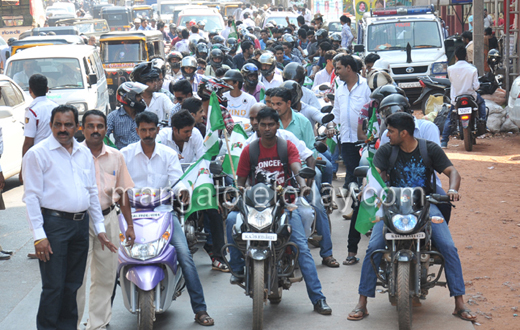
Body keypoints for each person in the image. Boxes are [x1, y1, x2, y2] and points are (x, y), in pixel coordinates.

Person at [347, 112, 477, 323]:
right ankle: (362, 302)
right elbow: (374, 175)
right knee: (373, 248)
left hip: (426, 205)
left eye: (390, 131)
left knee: (448, 247)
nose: (387, 135)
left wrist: (452, 189)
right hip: (392, 206)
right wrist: (367, 189)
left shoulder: (429, 149)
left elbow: (453, 172)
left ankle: (459, 303)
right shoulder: (386, 150)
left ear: (404, 133)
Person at [228, 107, 333, 315]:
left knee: (301, 246)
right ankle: (237, 267)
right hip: (255, 205)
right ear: (257, 126)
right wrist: (235, 193)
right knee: (231, 219)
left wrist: (302, 185)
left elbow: (296, 167)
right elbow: (240, 181)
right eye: (263, 124)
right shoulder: (250, 150)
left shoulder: (287, 146)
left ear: (277, 126)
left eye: (271, 124)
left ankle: (318, 299)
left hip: (283, 204)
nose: (267, 128)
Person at [22, 105, 117, 330]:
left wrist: (100, 228)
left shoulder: (83, 153)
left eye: (68, 124)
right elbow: (31, 198)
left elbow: (92, 192)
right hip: (54, 226)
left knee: (72, 285)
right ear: (51, 125)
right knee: (53, 287)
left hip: (80, 226)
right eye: (58, 124)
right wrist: (39, 236)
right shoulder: (38, 153)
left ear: (77, 127)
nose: (62, 129)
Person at [120, 111, 215, 326]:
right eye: (143, 129)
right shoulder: (124, 154)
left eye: (151, 129)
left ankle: (200, 309)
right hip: (131, 215)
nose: (147, 133)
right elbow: (120, 186)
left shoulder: (168, 154)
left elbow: (176, 181)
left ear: (157, 130)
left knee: (185, 255)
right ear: (137, 131)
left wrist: (182, 190)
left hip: (164, 212)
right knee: (110, 259)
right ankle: (101, 315)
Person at [76, 110, 136, 330]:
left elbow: (123, 192)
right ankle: (73, 323)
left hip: (109, 218)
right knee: (78, 277)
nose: (95, 130)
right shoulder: (73, 154)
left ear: (105, 129)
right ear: (82, 128)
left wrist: (129, 225)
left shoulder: (116, 156)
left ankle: (97, 324)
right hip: (80, 222)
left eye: (100, 126)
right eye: (90, 126)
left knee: (107, 275)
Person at [270, 87, 338, 267]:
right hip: (275, 175)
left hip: (300, 173)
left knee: (317, 207)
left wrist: (307, 177)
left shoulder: (302, 121)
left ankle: (327, 253)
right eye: (272, 104)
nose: (275, 107)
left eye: (279, 104)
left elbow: (310, 152)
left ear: (289, 103)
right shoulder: (268, 122)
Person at [326, 55, 371, 265]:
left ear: (350, 68)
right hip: (347, 142)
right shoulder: (339, 86)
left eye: (339, 68)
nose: (336, 71)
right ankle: (354, 240)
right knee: (354, 182)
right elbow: (336, 112)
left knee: (368, 182)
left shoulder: (367, 86)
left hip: (369, 143)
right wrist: (331, 126)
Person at [441, 46, 486, 149]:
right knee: (482, 103)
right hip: (471, 98)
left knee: (450, 117)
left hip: (456, 99)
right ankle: (483, 123)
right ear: (466, 56)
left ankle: (444, 141)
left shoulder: (450, 69)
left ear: (456, 57)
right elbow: (476, 86)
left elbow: (452, 82)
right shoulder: (472, 69)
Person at [20, 74, 58, 183]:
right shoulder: (56, 107)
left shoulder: (32, 111)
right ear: (47, 89)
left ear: (30, 90)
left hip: (39, 158)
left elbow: (28, 142)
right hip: (56, 155)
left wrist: (23, 168)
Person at [107, 82, 148, 149]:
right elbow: (104, 136)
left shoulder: (145, 115)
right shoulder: (113, 117)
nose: (141, 98)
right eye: (138, 96)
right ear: (127, 98)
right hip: (121, 155)